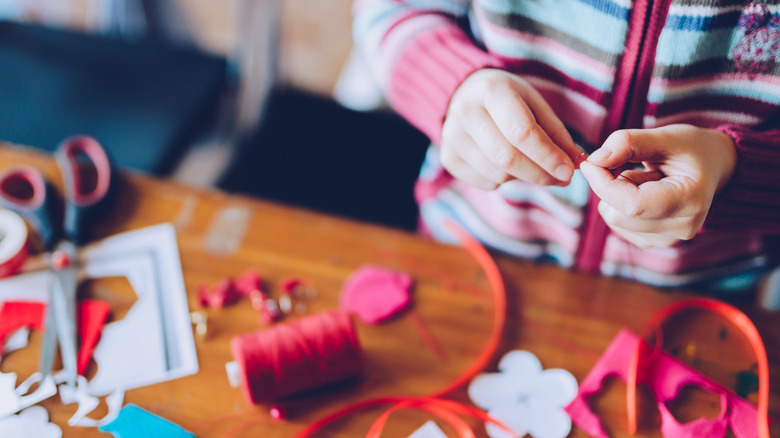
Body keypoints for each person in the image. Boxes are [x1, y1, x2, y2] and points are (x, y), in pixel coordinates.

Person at [352, 0, 780, 292]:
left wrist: (731, 171)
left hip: (702, 299)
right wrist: (450, 84)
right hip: (466, 253)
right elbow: (393, 12)